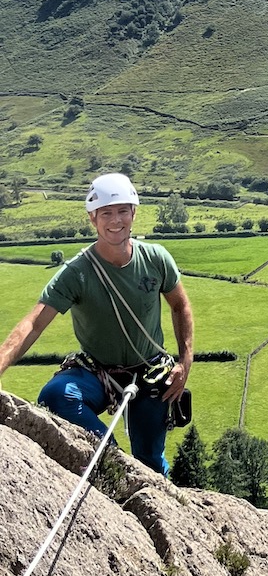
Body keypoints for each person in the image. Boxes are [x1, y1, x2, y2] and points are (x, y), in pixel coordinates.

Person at [0, 173, 193, 474]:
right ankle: (112, 462)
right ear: (92, 218)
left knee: (151, 461)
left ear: (133, 213)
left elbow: (180, 306)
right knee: (56, 396)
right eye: (106, 213)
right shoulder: (77, 273)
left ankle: (150, 485)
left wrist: (185, 361)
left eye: (122, 211)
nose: (115, 220)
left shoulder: (155, 259)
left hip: (150, 371)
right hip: (97, 371)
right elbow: (34, 323)